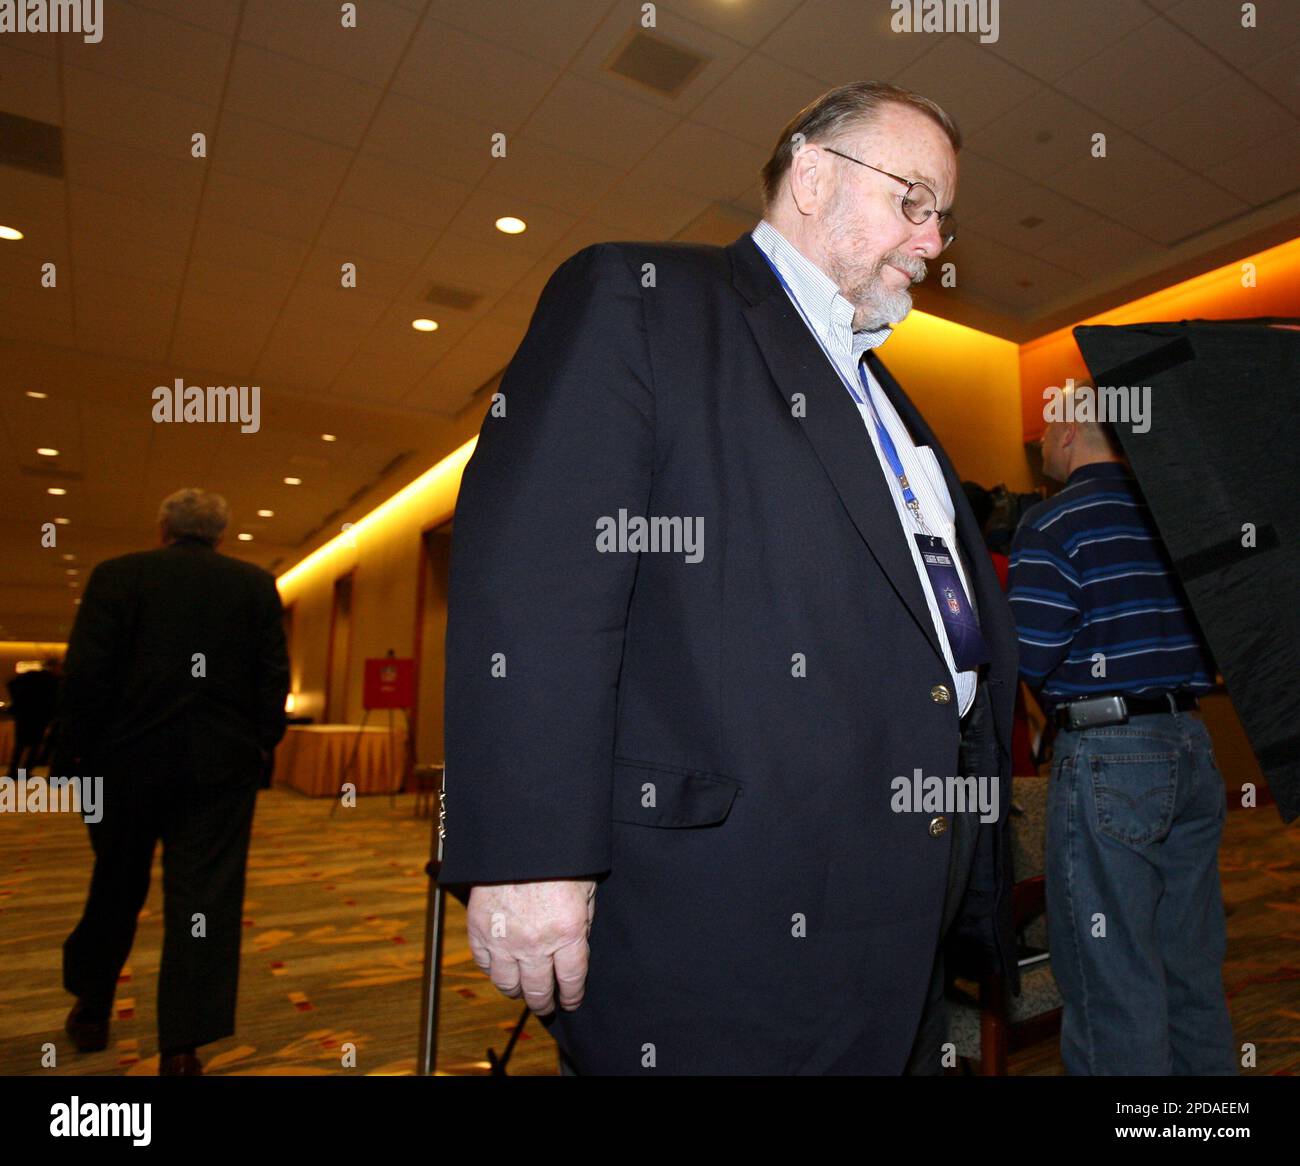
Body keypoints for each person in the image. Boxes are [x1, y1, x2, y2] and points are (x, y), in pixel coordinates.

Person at [439, 82, 1022, 1075]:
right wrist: (532, 853)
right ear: (809, 175)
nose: (933, 242)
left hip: (895, 908)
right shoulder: (641, 300)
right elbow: (536, 585)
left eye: (943, 217)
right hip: (716, 915)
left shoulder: (889, 402)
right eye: (913, 200)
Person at [1007, 384, 1233, 1075]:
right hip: (1193, 744)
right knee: (1191, 967)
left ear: (1073, 432)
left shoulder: (1053, 524)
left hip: (1110, 755)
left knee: (1113, 979)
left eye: (1047, 430)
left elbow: (1030, 651)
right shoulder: (1179, 521)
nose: (1042, 444)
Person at [59, 488, 289, 1075]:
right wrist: (258, 746)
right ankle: (182, 1047)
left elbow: (86, 677)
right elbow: (272, 681)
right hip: (217, 769)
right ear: (220, 536)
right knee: (204, 900)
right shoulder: (253, 586)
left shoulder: (117, 576)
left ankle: (92, 1006)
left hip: (122, 766)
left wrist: (75, 761)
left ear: (162, 528)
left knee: (114, 883)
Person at [7, 656, 60, 774]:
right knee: (34, 745)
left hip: (23, 714)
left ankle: (12, 770)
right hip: (40, 716)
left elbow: (11, 683)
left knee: (20, 744)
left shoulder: (29, 676)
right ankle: (25, 771)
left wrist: (18, 701)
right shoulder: (53, 681)